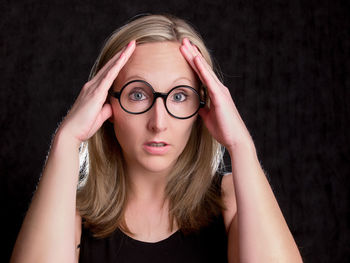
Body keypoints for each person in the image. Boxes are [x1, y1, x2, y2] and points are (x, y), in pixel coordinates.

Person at [10, 14, 303, 263]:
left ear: (204, 105)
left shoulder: (232, 198)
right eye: (138, 95)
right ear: (105, 104)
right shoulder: (70, 211)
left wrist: (241, 146)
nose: (158, 123)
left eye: (179, 96)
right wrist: (67, 139)